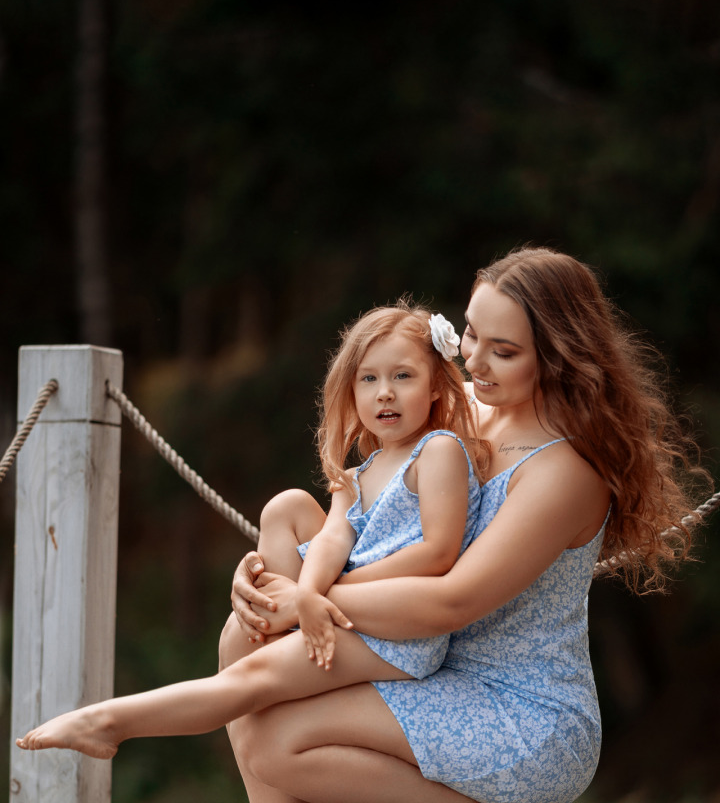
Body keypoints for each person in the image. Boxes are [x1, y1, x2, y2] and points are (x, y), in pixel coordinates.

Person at [18, 247, 704, 803]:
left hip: (522, 713)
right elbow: (365, 513)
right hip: (427, 664)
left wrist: (309, 603)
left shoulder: (563, 472)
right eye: (470, 335)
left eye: (505, 351)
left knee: (272, 737)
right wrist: (266, 574)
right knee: (243, 633)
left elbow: (452, 597)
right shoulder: (457, 404)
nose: (474, 361)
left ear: (556, 357)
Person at [15, 302, 482, 744]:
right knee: (286, 509)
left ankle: (110, 723)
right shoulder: (357, 475)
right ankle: (268, 643)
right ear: (352, 389)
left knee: (250, 679)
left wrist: (323, 595)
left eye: (403, 376)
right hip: (352, 614)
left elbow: (438, 553)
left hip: (402, 632)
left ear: (437, 385)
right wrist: (308, 592)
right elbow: (333, 538)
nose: (385, 391)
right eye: (369, 378)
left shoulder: (437, 449)